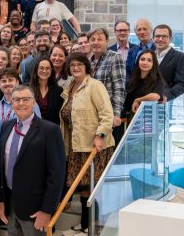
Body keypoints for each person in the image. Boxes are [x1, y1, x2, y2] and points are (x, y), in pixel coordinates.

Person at [0, 85, 65, 235]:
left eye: (26, 99)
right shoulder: (6, 127)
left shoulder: (50, 130)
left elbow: (56, 176)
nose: (21, 103)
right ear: (12, 103)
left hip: (36, 210)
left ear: (34, 102)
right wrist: (0, 201)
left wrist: (47, 211)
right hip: (10, 205)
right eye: (16, 100)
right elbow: (0, 169)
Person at [60, 53, 115, 234]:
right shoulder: (69, 87)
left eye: (79, 65)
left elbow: (107, 114)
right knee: (83, 188)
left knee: (92, 188)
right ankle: (85, 224)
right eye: (72, 65)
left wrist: (100, 135)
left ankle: (93, 225)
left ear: (86, 67)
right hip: (76, 144)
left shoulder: (95, 86)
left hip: (95, 146)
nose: (75, 68)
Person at [0, 69, 41, 156]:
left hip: (28, 155)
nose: (7, 83)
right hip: (3, 158)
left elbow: (39, 132)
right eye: (3, 81)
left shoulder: (30, 104)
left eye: (10, 80)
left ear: (17, 82)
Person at [88, 28, 126, 144]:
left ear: (107, 41)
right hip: (92, 114)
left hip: (108, 115)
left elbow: (119, 88)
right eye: (92, 39)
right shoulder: (89, 61)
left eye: (100, 39)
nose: (96, 42)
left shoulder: (115, 57)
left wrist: (116, 114)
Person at [124, 50, 165, 118]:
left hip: (148, 121)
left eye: (149, 60)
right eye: (142, 59)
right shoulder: (132, 79)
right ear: (138, 62)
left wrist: (138, 100)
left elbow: (155, 96)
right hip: (129, 119)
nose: (145, 62)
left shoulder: (158, 80)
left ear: (153, 64)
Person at [153, 24, 184, 101]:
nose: (160, 39)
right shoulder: (148, 56)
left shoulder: (181, 57)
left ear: (170, 39)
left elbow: (181, 84)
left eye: (164, 36)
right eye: (157, 36)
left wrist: (165, 96)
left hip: (164, 104)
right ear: (153, 38)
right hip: (144, 101)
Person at [30, 58, 64, 125]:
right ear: (36, 69)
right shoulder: (27, 89)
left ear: (51, 71)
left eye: (47, 68)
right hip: (30, 130)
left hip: (50, 130)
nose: (44, 71)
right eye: (41, 68)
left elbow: (57, 116)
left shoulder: (58, 91)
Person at [126, 18, 156, 84]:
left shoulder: (158, 49)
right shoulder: (132, 51)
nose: (142, 32)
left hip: (154, 90)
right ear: (136, 33)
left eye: (145, 29)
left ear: (151, 31)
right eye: (139, 30)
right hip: (134, 90)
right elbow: (128, 71)